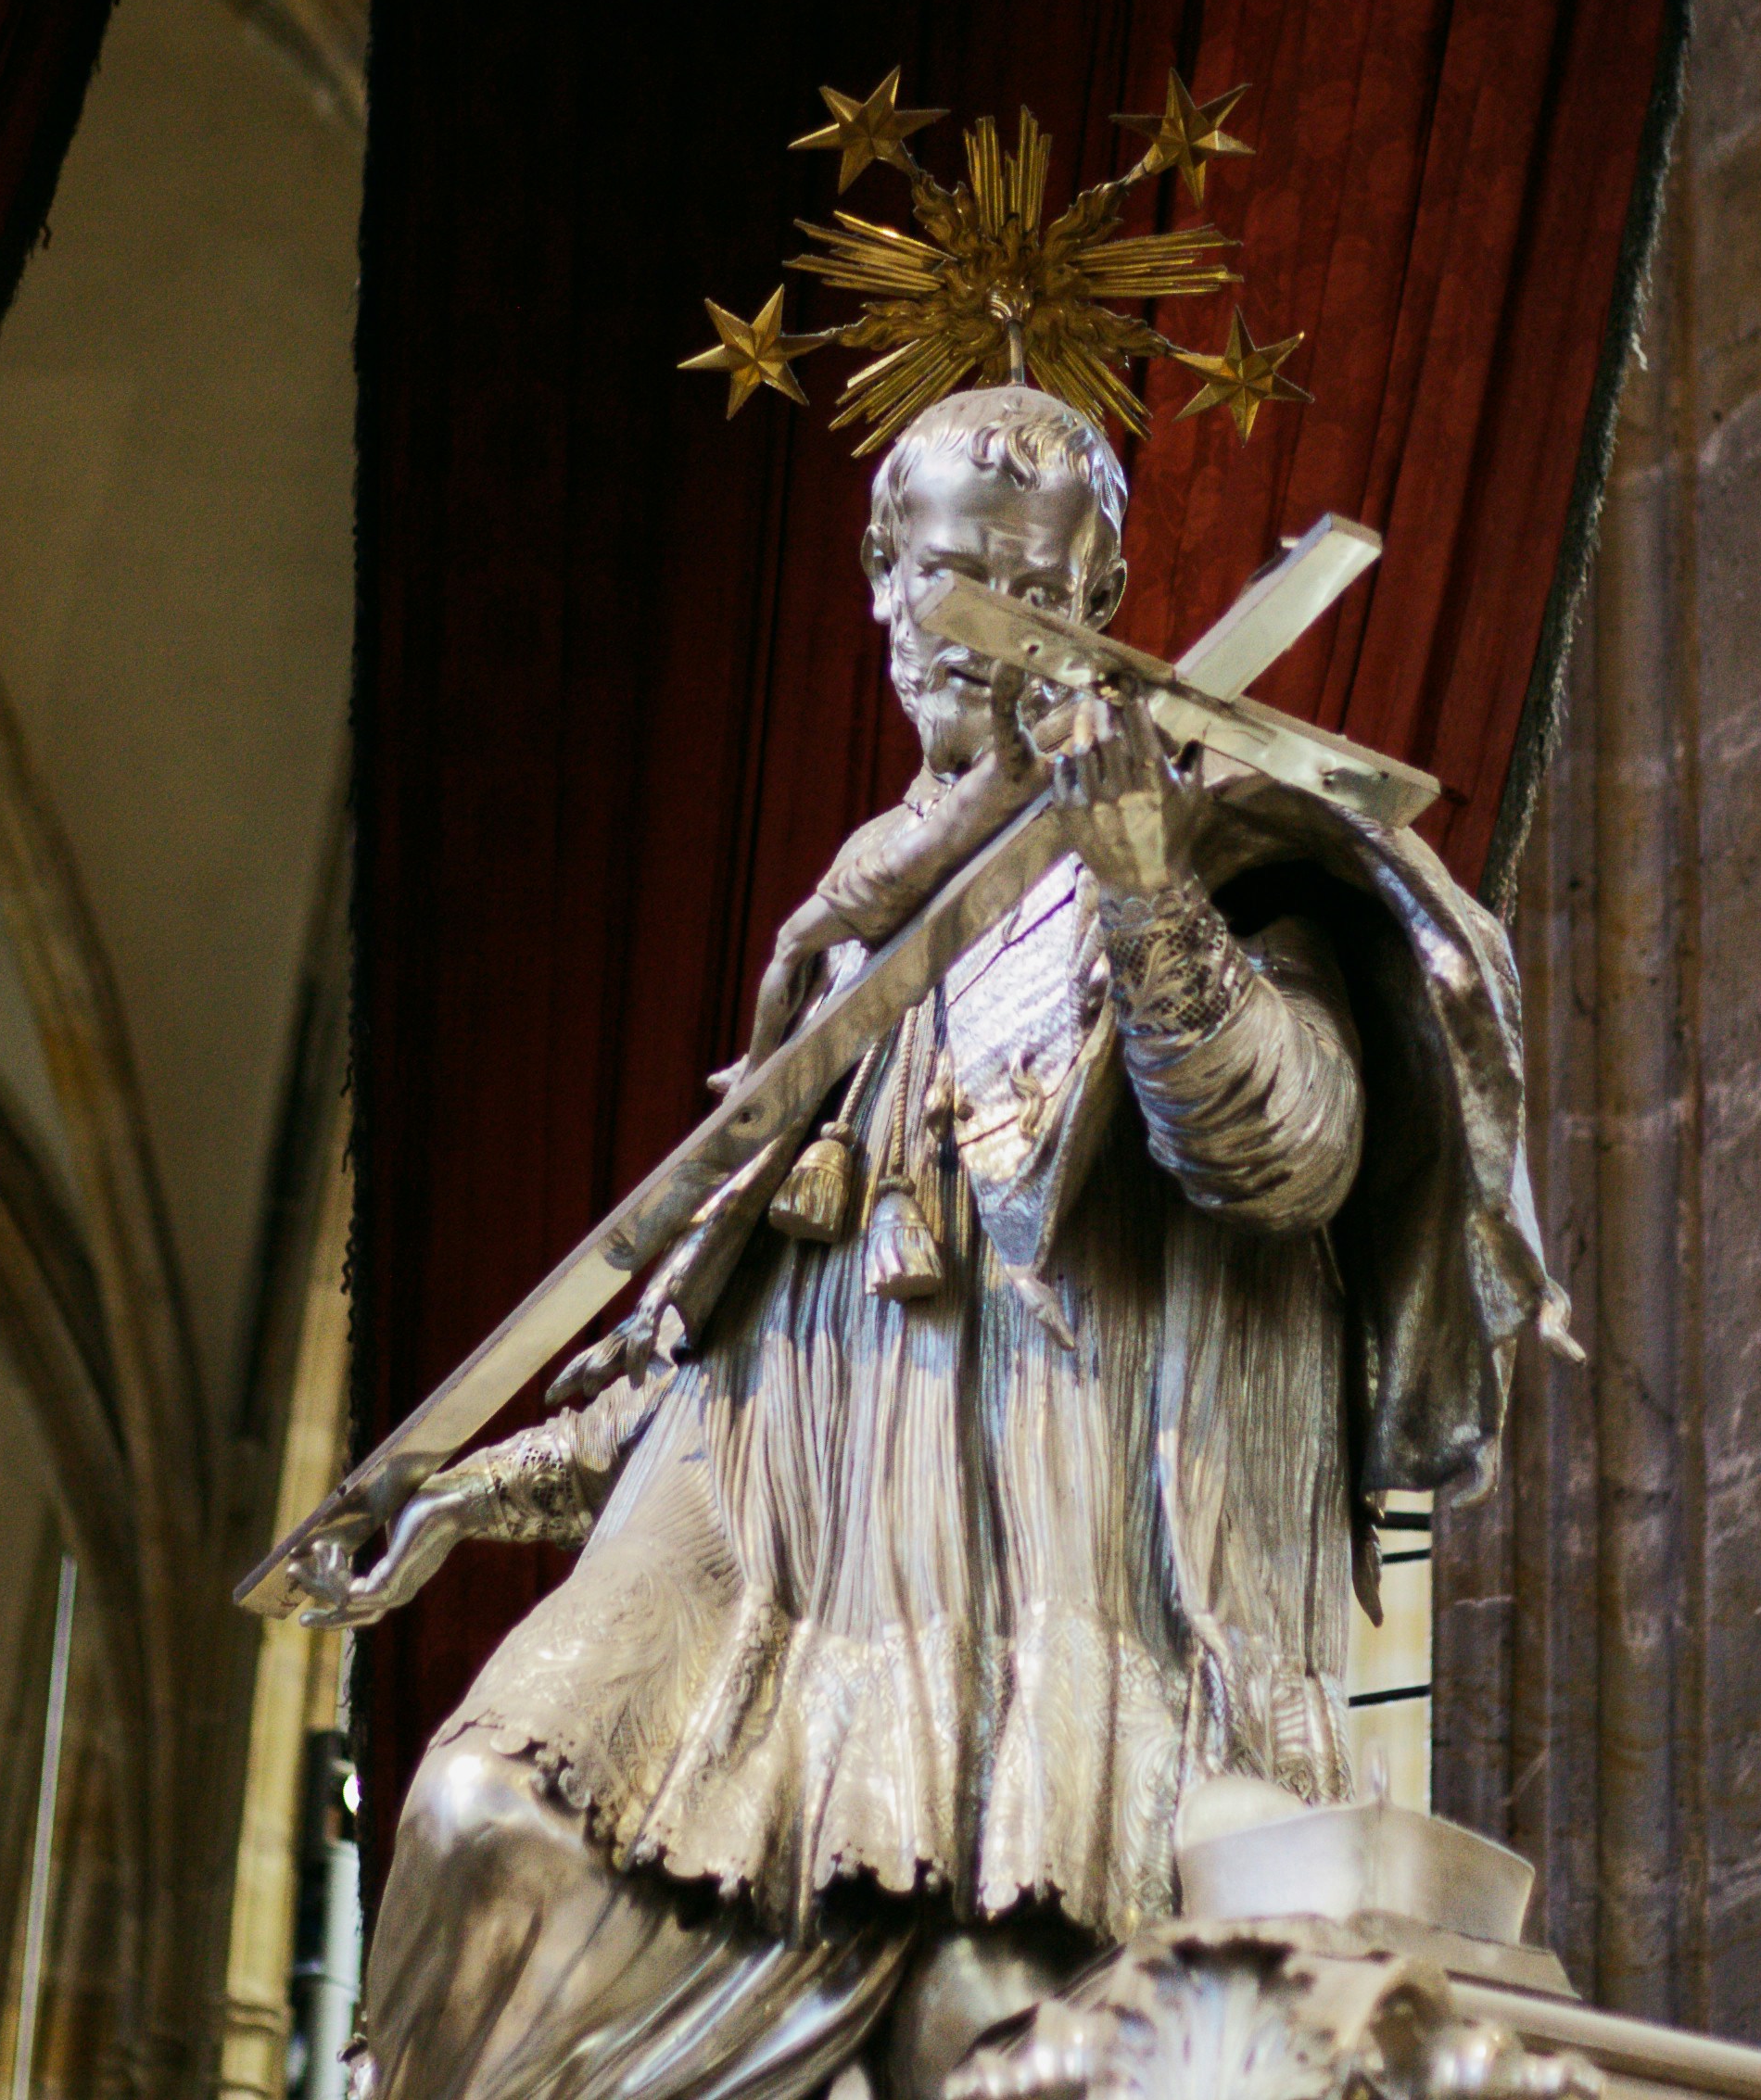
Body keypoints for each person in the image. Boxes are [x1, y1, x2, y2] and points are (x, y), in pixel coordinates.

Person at [284, 384, 1566, 2100]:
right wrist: (469, 1488)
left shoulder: (1205, 834)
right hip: (782, 1619)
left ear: (1093, 607)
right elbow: (727, 1359)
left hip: (1053, 1629)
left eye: (1030, 593)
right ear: (886, 584)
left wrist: (1142, 885)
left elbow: (1289, 1150)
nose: (983, 635)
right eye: (951, 583)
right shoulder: (845, 937)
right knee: (478, 1821)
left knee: (995, 2020)